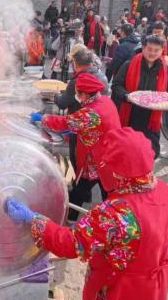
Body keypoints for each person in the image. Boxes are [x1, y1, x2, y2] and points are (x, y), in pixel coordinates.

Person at [5, 127, 168, 300]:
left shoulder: (116, 213)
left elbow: (71, 244)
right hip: (153, 288)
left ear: (118, 172)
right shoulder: (166, 191)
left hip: (122, 292)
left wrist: (33, 219)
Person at [36, 73, 120, 220]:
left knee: (84, 189)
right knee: (106, 189)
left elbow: (65, 123)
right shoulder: (105, 101)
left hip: (96, 159)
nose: (76, 96)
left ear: (85, 94)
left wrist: (43, 118)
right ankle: (113, 216)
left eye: (77, 93)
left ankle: (72, 219)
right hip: (109, 154)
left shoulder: (90, 114)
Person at [112, 35, 168, 157]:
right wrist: (127, 96)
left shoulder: (167, 70)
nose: (152, 53)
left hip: (152, 118)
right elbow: (116, 85)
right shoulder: (129, 65)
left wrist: (164, 100)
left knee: (150, 152)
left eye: (156, 50)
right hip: (130, 114)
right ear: (143, 48)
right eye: (149, 49)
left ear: (162, 51)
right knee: (128, 150)